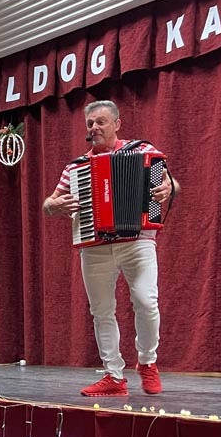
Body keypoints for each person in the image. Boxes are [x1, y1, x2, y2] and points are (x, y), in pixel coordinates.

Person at [43, 100, 179, 397]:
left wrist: (169, 188)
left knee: (146, 302)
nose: (94, 127)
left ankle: (147, 362)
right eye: (90, 123)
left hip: (137, 241)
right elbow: (48, 204)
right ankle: (113, 376)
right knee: (101, 311)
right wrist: (55, 205)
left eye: (101, 122)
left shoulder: (142, 151)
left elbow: (171, 185)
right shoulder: (76, 167)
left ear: (117, 124)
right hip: (95, 246)